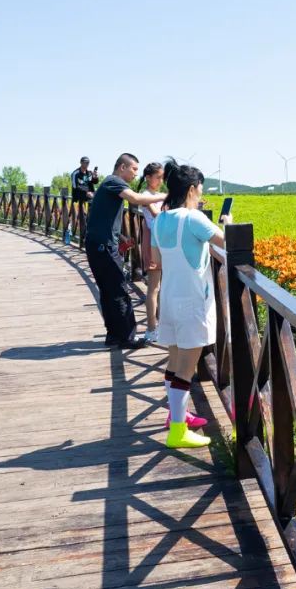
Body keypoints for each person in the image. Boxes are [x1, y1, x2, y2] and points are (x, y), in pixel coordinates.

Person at [150, 157, 231, 448]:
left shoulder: (160, 220)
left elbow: (156, 261)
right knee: (187, 368)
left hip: (169, 300)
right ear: (193, 189)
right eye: (200, 189)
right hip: (193, 302)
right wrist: (226, 224)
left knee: (174, 363)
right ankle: (177, 431)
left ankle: (177, 415)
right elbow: (228, 242)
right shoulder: (194, 218)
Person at [85, 153, 166, 349]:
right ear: (122, 167)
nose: (135, 174)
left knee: (108, 291)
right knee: (120, 290)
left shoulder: (108, 184)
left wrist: (120, 237)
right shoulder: (114, 182)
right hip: (103, 248)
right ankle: (128, 337)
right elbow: (136, 199)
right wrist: (170, 196)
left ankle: (114, 335)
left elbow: (103, 218)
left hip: (98, 245)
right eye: (134, 169)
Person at [138, 162, 164, 343]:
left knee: (163, 287)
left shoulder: (156, 194)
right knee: (154, 287)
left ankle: (161, 324)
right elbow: (157, 215)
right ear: (148, 177)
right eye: (158, 177)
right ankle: (151, 328)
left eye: (163, 177)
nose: (161, 181)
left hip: (163, 241)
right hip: (153, 241)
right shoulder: (145, 196)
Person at [70, 156, 99, 241]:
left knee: (91, 217)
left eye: (88, 163)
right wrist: (86, 192)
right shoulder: (75, 173)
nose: (86, 164)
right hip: (80, 197)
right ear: (81, 163)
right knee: (83, 217)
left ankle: (90, 232)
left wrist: (95, 177)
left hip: (90, 197)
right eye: (85, 162)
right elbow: (75, 186)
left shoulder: (89, 173)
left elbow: (95, 182)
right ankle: (83, 237)